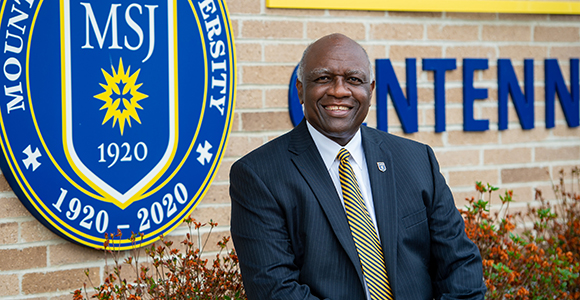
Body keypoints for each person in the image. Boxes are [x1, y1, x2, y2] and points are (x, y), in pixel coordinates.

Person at [229, 33, 486, 300]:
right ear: (300, 90)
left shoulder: (417, 160)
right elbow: (275, 291)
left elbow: (460, 264)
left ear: (371, 90)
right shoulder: (258, 176)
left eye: (353, 79)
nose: (339, 90)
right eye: (323, 78)